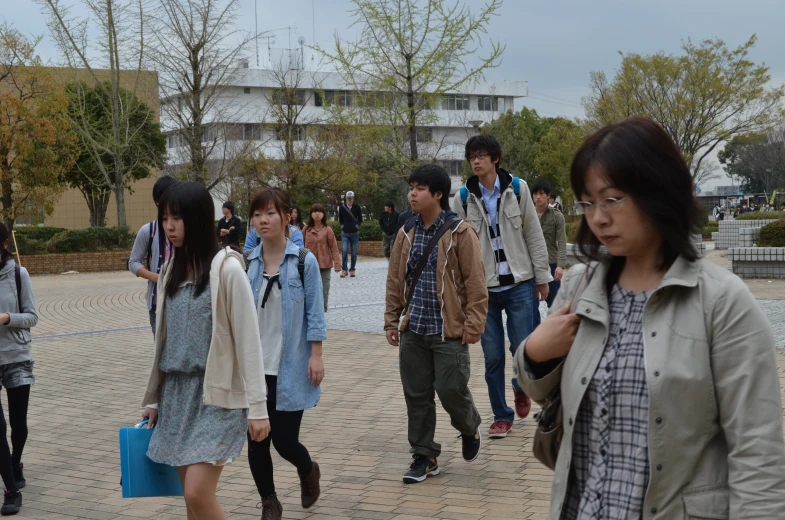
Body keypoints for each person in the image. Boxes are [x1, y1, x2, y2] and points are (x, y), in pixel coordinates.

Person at [514, 117, 785, 519]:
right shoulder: (579, 287)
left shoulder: (722, 302)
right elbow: (544, 397)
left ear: (659, 190)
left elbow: (758, 451)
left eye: (612, 199)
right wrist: (535, 353)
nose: (598, 218)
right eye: (588, 202)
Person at [141, 182, 270, 519]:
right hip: (176, 395)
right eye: (165, 218)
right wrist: (154, 399)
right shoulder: (170, 271)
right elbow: (164, 344)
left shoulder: (227, 270)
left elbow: (248, 340)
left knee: (197, 493)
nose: (169, 226)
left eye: (177, 218)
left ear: (197, 219)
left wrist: (258, 407)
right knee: (190, 501)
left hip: (215, 395)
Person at [385, 164, 488, 483]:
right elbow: (395, 278)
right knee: (416, 394)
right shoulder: (406, 232)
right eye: (411, 187)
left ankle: (469, 426)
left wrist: (474, 323)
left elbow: (475, 282)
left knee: (450, 389)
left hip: (450, 330)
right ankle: (424, 455)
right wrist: (391, 319)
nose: (412, 194)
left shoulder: (460, 232)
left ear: (438, 194)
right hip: (414, 329)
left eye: (419, 188)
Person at [452, 134, 551, 439]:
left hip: (520, 283)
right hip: (483, 292)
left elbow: (534, 235)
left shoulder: (517, 189)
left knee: (524, 348)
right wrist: (461, 292)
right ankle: (501, 415)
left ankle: (521, 387)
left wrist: (542, 277)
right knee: (492, 355)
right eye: (472, 157)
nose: (476, 161)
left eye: (482, 156)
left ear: (495, 158)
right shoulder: (463, 198)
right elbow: (456, 246)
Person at [245, 189, 326, 519]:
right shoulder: (245, 263)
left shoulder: (303, 260)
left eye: (271, 213)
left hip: (290, 364)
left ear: (287, 216)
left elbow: (316, 312)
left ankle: (308, 470)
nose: (263, 220)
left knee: (284, 440)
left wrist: (316, 355)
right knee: (257, 439)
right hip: (254, 366)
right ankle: (269, 502)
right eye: (258, 214)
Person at [0, 224, 37, 516]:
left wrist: (6, 318)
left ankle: (15, 461)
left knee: (18, 425)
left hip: (16, 357)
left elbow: (32, 317)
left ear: (3, 244)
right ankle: (11, 489)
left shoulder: (17, 274)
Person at [128, 175, 178, 334]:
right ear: (157, 201)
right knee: (161, 351)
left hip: (182, 301)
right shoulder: (148, 231)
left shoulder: (187, 229)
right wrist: (156, 277)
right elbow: (133, 262)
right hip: (158, 302)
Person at [531, 180, 567, 327]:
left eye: (541, 194)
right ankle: (534, 338)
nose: (538, 197)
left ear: (548, 196)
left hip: (550, 265)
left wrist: (560, 266)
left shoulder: (557, 216)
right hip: (530, 266)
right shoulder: (526, 214)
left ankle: (556, 335)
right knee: (530, 307)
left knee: (555, 305)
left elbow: (562, 242)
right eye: (535, 194)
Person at [303, 203, 341, 312]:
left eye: (319, 211)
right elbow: (299, 246)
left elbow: (334, 247)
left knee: (324, 289)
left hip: (325, 264)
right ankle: (310, 309)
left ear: (324, 214)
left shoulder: (328, 230)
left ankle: (323, 309)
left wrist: (337, 264)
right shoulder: (306, 229)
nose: (317, 214)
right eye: (314, 211)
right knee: (310, 288)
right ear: (311, 214)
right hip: (309, 265)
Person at [338, 191, 363, 278]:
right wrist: (342, 226)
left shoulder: (357, 207)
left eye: (351, 198)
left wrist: (357, 226)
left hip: (354, 233)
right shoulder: (342, 208)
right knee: (344, 251)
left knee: (353, 252)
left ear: (353, 198)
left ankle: (352, 269)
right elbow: (340, 219)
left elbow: (360, 219)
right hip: (345, 233)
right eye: (348, 198)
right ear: (346, 198)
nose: (350, 200)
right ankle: (344, 269)